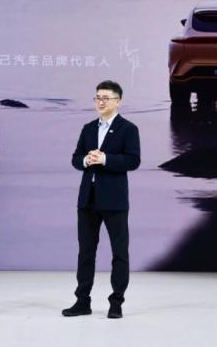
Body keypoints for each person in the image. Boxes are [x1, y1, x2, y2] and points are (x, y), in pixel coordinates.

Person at [62, 80, 141, 319]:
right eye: (97, 97)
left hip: (114, 201)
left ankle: (116, 303)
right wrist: (86, 160)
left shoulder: (128, 129)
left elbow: (133, 161)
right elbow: (75, 159)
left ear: (118, 101)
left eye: (106, 98)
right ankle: (82, 301)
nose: (100, 102)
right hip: (88, 199)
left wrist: (105, 159)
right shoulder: (88, 128)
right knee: (85, 252)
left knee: (119, 253)